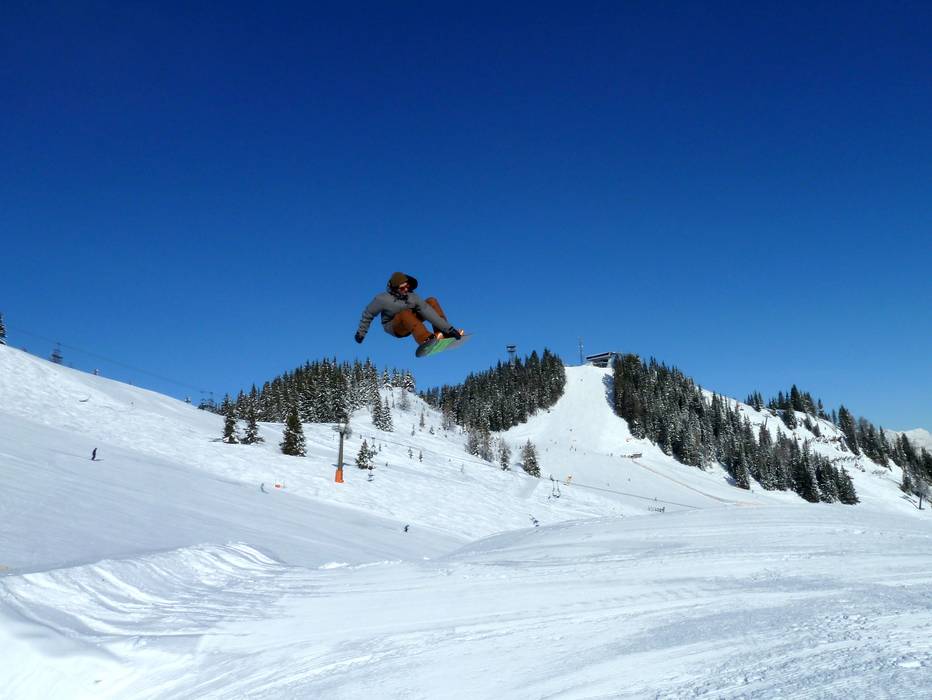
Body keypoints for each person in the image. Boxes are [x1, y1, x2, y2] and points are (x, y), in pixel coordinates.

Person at [355, 272, 462, 352]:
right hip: (395, 326)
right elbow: (368, 314)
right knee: (404, 313)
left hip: (412, 321)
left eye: (407, 287)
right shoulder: (382, 299)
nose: (406, 290)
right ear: (395, 288)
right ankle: (425, 339)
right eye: (402, 288)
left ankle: (442, 333)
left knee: (431, 301)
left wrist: (448, 328)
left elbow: (427, 311)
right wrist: (361, 333)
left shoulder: (412, 296)